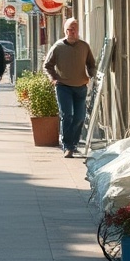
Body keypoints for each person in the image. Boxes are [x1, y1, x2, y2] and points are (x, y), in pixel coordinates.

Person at [43, 17, 96, 158]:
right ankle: (67, 146)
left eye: (74, 29)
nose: (71, 32)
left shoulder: (84, 46)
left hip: (81, 87)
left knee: (79, 117)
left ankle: (74, 143)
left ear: (78, 31)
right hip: (63, 86)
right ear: (64, 30)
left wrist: (92, 75)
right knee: (67, 115)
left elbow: (91, 64)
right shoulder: (58, 46)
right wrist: (53, 78)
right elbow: (47, 65)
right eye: (68, 29)